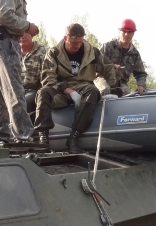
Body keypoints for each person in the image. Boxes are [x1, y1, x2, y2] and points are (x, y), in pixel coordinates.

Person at [34, 23, 117, 154]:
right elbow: (48, 79)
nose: (77, 46)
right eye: (73, 43)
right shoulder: (54, 53)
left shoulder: (92, 52)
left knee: (93, 91)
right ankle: (43, 137)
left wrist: (111, 87)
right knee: (42, 93)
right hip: (60, 88)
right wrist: (68, 91)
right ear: (65, 38)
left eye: (80, 42)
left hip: (84, 86)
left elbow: (108, 67)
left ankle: (74, 137)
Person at [0, 0, 43, 146]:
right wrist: (27, 26)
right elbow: (2, 15)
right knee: (14, 88)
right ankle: (24, 135)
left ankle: (0, 134)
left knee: (1, 91)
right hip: (5, 42)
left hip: (0, 41)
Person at [100, 19, 148, 96]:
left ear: (133, 33)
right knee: (104, 90)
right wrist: (111, 67)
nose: (126, 34)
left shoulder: (134, 54)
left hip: (121, 83)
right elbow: (96, 63)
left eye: (129, 32)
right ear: (119, 31)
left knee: (128, 95)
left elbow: (141, 73)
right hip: (103, 78)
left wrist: (141, 85)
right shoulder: (108, 47)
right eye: (124, 31)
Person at [20, 30, 47, 116]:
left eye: (25, 33)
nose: (22, 36)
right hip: (13, 92)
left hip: (33, 91)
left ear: (31, 35)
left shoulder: (42, 52)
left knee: (21, 105)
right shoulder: (11, 53)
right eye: (20, 33)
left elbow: (48, 76)